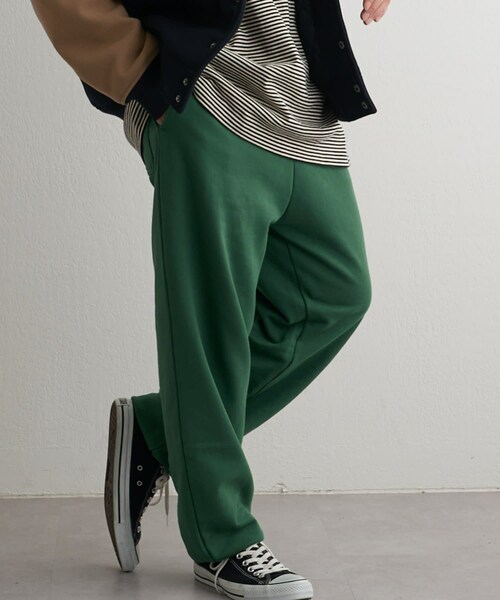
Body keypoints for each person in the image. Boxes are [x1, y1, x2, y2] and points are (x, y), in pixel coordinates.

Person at [30, 1, 392, 598]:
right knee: (211, 330)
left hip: (304, 99)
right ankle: (222, 540)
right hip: (205, 96)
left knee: (336, 294)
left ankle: (155, 430)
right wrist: (137, 72)